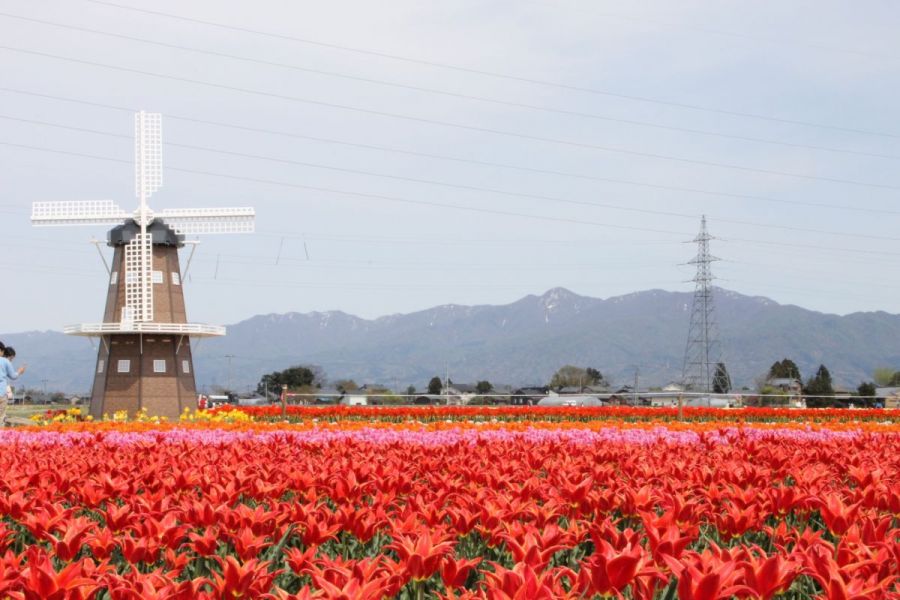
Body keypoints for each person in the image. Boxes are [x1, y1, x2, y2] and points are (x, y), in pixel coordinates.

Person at [0, 347, 26, 426]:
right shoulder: (5, 361)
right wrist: (19, 371)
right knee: (1, 416)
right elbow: (13, 376)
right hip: (1, 393)